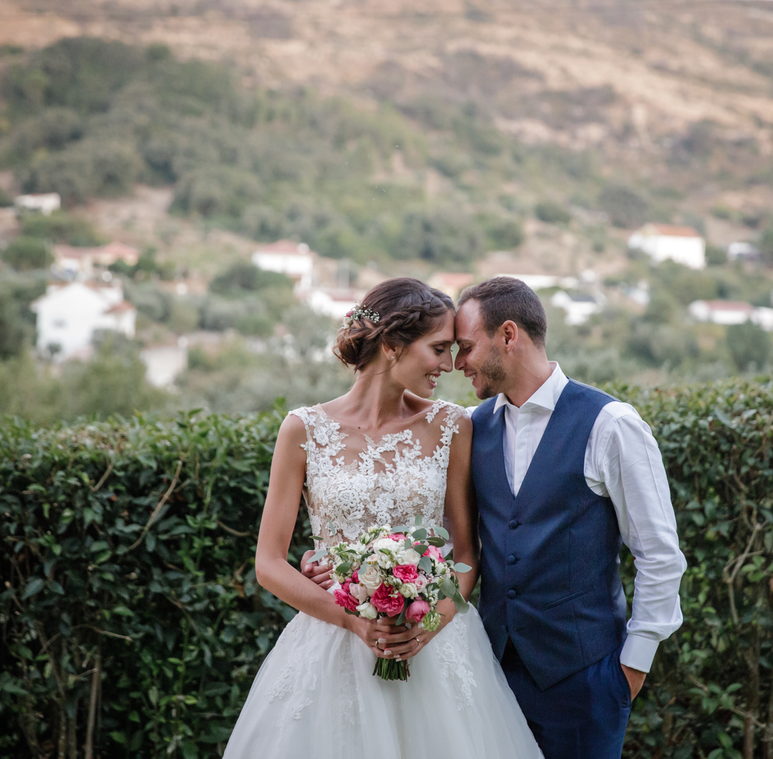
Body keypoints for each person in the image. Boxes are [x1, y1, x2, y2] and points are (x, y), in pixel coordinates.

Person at [223, 278, 543, 759]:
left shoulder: (453, 426)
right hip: (332, 644)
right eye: (437, 349)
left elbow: (465, 553)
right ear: (393, 346)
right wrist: (351, 622)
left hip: (435, 644)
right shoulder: (302, 430)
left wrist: (430, 622)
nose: (449, 365)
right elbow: (268, 563)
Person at [452, 276, 687, 759]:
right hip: (494, 675)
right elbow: (447, 537)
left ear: (509, 336)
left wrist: (631, 669)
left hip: (586, 681)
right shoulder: (473, 428)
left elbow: (660, 554)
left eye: (466, 347)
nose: (458, 364)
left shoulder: (611, 423)